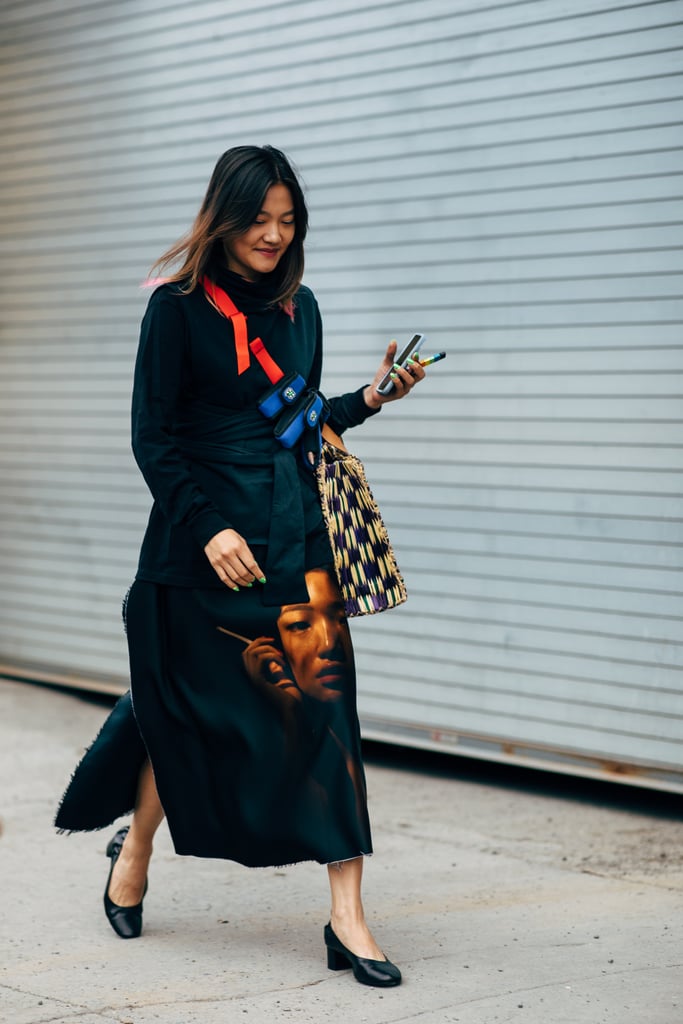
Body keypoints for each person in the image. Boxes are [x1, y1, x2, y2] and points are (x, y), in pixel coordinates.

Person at [55, 145, 425, 988]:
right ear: (224, 218)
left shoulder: (303, 309)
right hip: (202, 555)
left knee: (327, 721)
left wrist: (367, 401)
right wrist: (209, 529)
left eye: (287, 221)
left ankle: (348, 918)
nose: (272, 234)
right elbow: (153, 438)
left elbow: (293, 425)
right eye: (258, 219)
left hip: (298, 551)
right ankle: (137, 851)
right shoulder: (178, 312)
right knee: (187, 718)